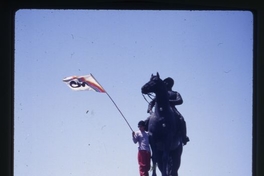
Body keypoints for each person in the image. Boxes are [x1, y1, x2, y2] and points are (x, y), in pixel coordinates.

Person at [147, 77, 190, 145]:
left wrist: (168, 101)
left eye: (167, 82)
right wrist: (149, 110)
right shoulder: (161, 94)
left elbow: (180, 101)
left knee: (181, 119)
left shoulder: (175, 93)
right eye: (165, 82)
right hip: (159, 111)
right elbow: (152, 102)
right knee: (148, 119)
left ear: (171, 84)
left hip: (172, 109)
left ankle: (184, 137)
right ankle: (146, 135)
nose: (165, 83)